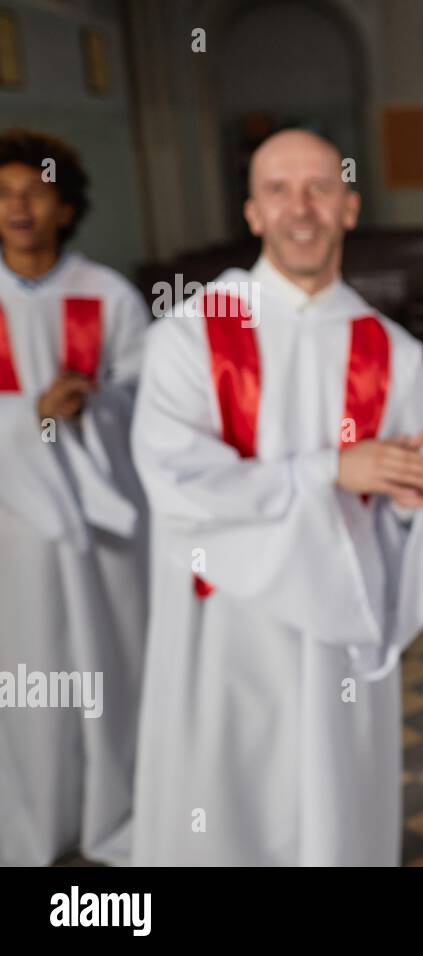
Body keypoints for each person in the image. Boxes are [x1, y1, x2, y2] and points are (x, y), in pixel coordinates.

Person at [130, 129, 423, 865]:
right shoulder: (189, 334)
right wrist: (328, 471)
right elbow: (175, 480)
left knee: (332, 805)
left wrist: (415, 498)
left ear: (349, 206)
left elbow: (407, 475)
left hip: (338, 621)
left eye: (318, 189)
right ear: (251, 213)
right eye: (279, 190)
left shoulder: (390, 349)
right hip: (226, 624)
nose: (300, 209)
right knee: (223, 804)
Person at [0, 129, 149, 866]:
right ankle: (32, 816)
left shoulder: (107, 296)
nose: (18, 206)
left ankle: (109, 809)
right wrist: (28, 420)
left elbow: (151, 405)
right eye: (4, 193)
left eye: (36, 191)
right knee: (23, 677)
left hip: (100, 531)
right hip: (12, 532)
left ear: (65, 206)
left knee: (106, 669)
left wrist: (96, 408)